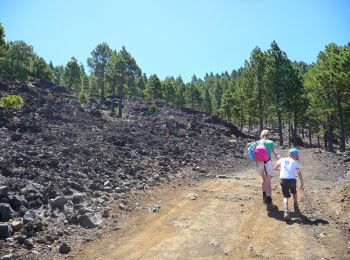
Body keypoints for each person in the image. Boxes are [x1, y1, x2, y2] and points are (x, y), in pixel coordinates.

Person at [274, 148, 304, 221]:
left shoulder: (282, 160)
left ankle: (286, 211)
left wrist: (282, 170)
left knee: (285, 196)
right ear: (295, 155)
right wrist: (302, 182)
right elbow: (299, 172)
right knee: (294, 192)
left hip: (283, 179)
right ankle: (295, 205)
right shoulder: (294, 162)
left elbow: (275, 168)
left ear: (289, 154)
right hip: (292, 180)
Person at [256, 130, 280, 209]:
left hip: (259, 163)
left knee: (263, 180)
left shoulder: (257, 142)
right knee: (268, 182)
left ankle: (264, 197)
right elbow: (276, 153)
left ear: (261, 134)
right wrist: (281, 160)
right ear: (269, 135)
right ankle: (269, 201)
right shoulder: (271, 142)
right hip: (267, 162)